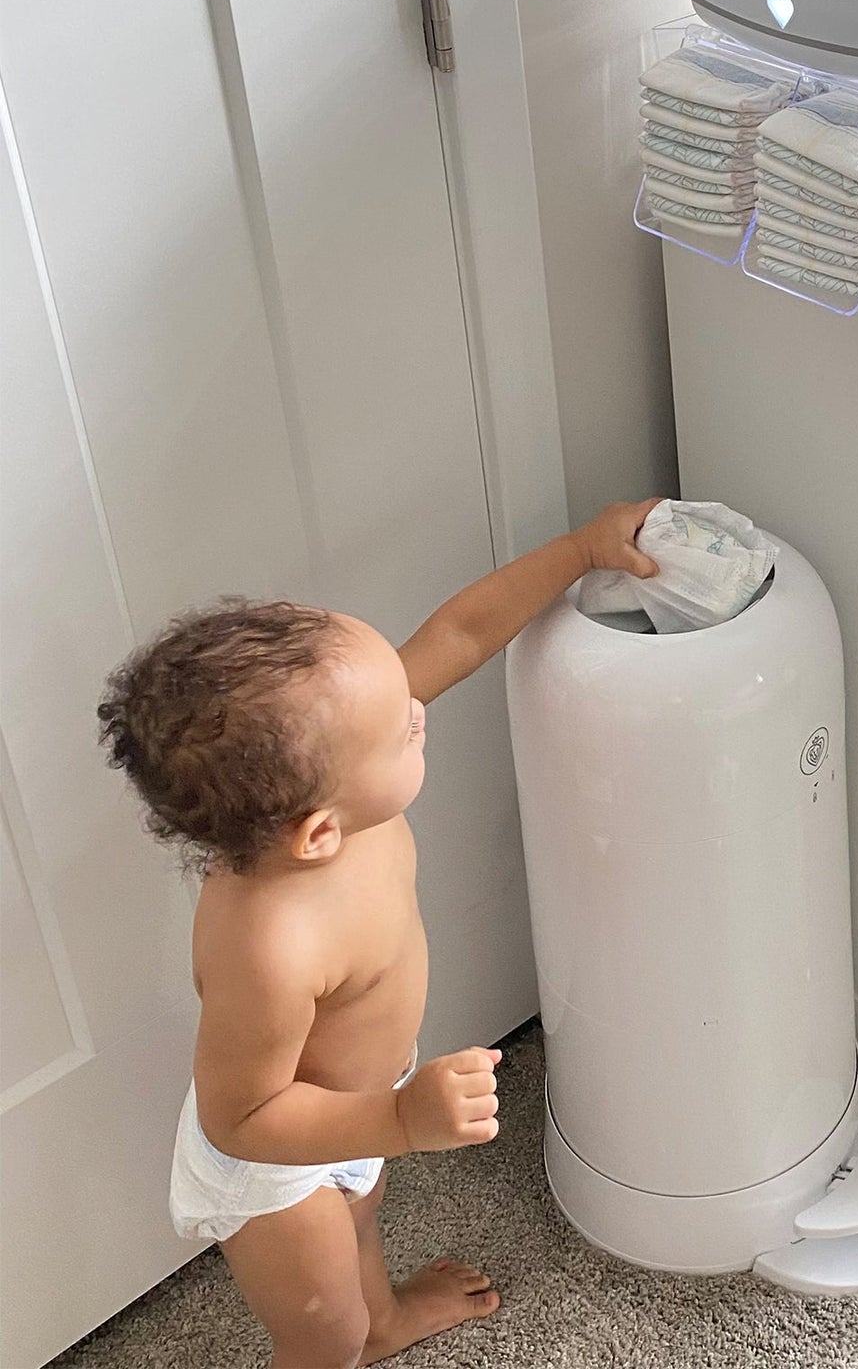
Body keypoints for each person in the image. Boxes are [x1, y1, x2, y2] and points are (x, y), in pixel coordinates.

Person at [96, 501, 660, 1366]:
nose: (417, 709)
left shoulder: (331, 765)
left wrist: (584, 550)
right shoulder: (269, 946)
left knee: (363, 1223)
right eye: (402, 727)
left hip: (362, 1103)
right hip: (279, 1165)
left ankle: (387, 1322)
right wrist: (396, 1117)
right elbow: (240, 1116)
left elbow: (462, 632)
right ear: (319, 832)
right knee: (325, 1330)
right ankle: (353, 1339)